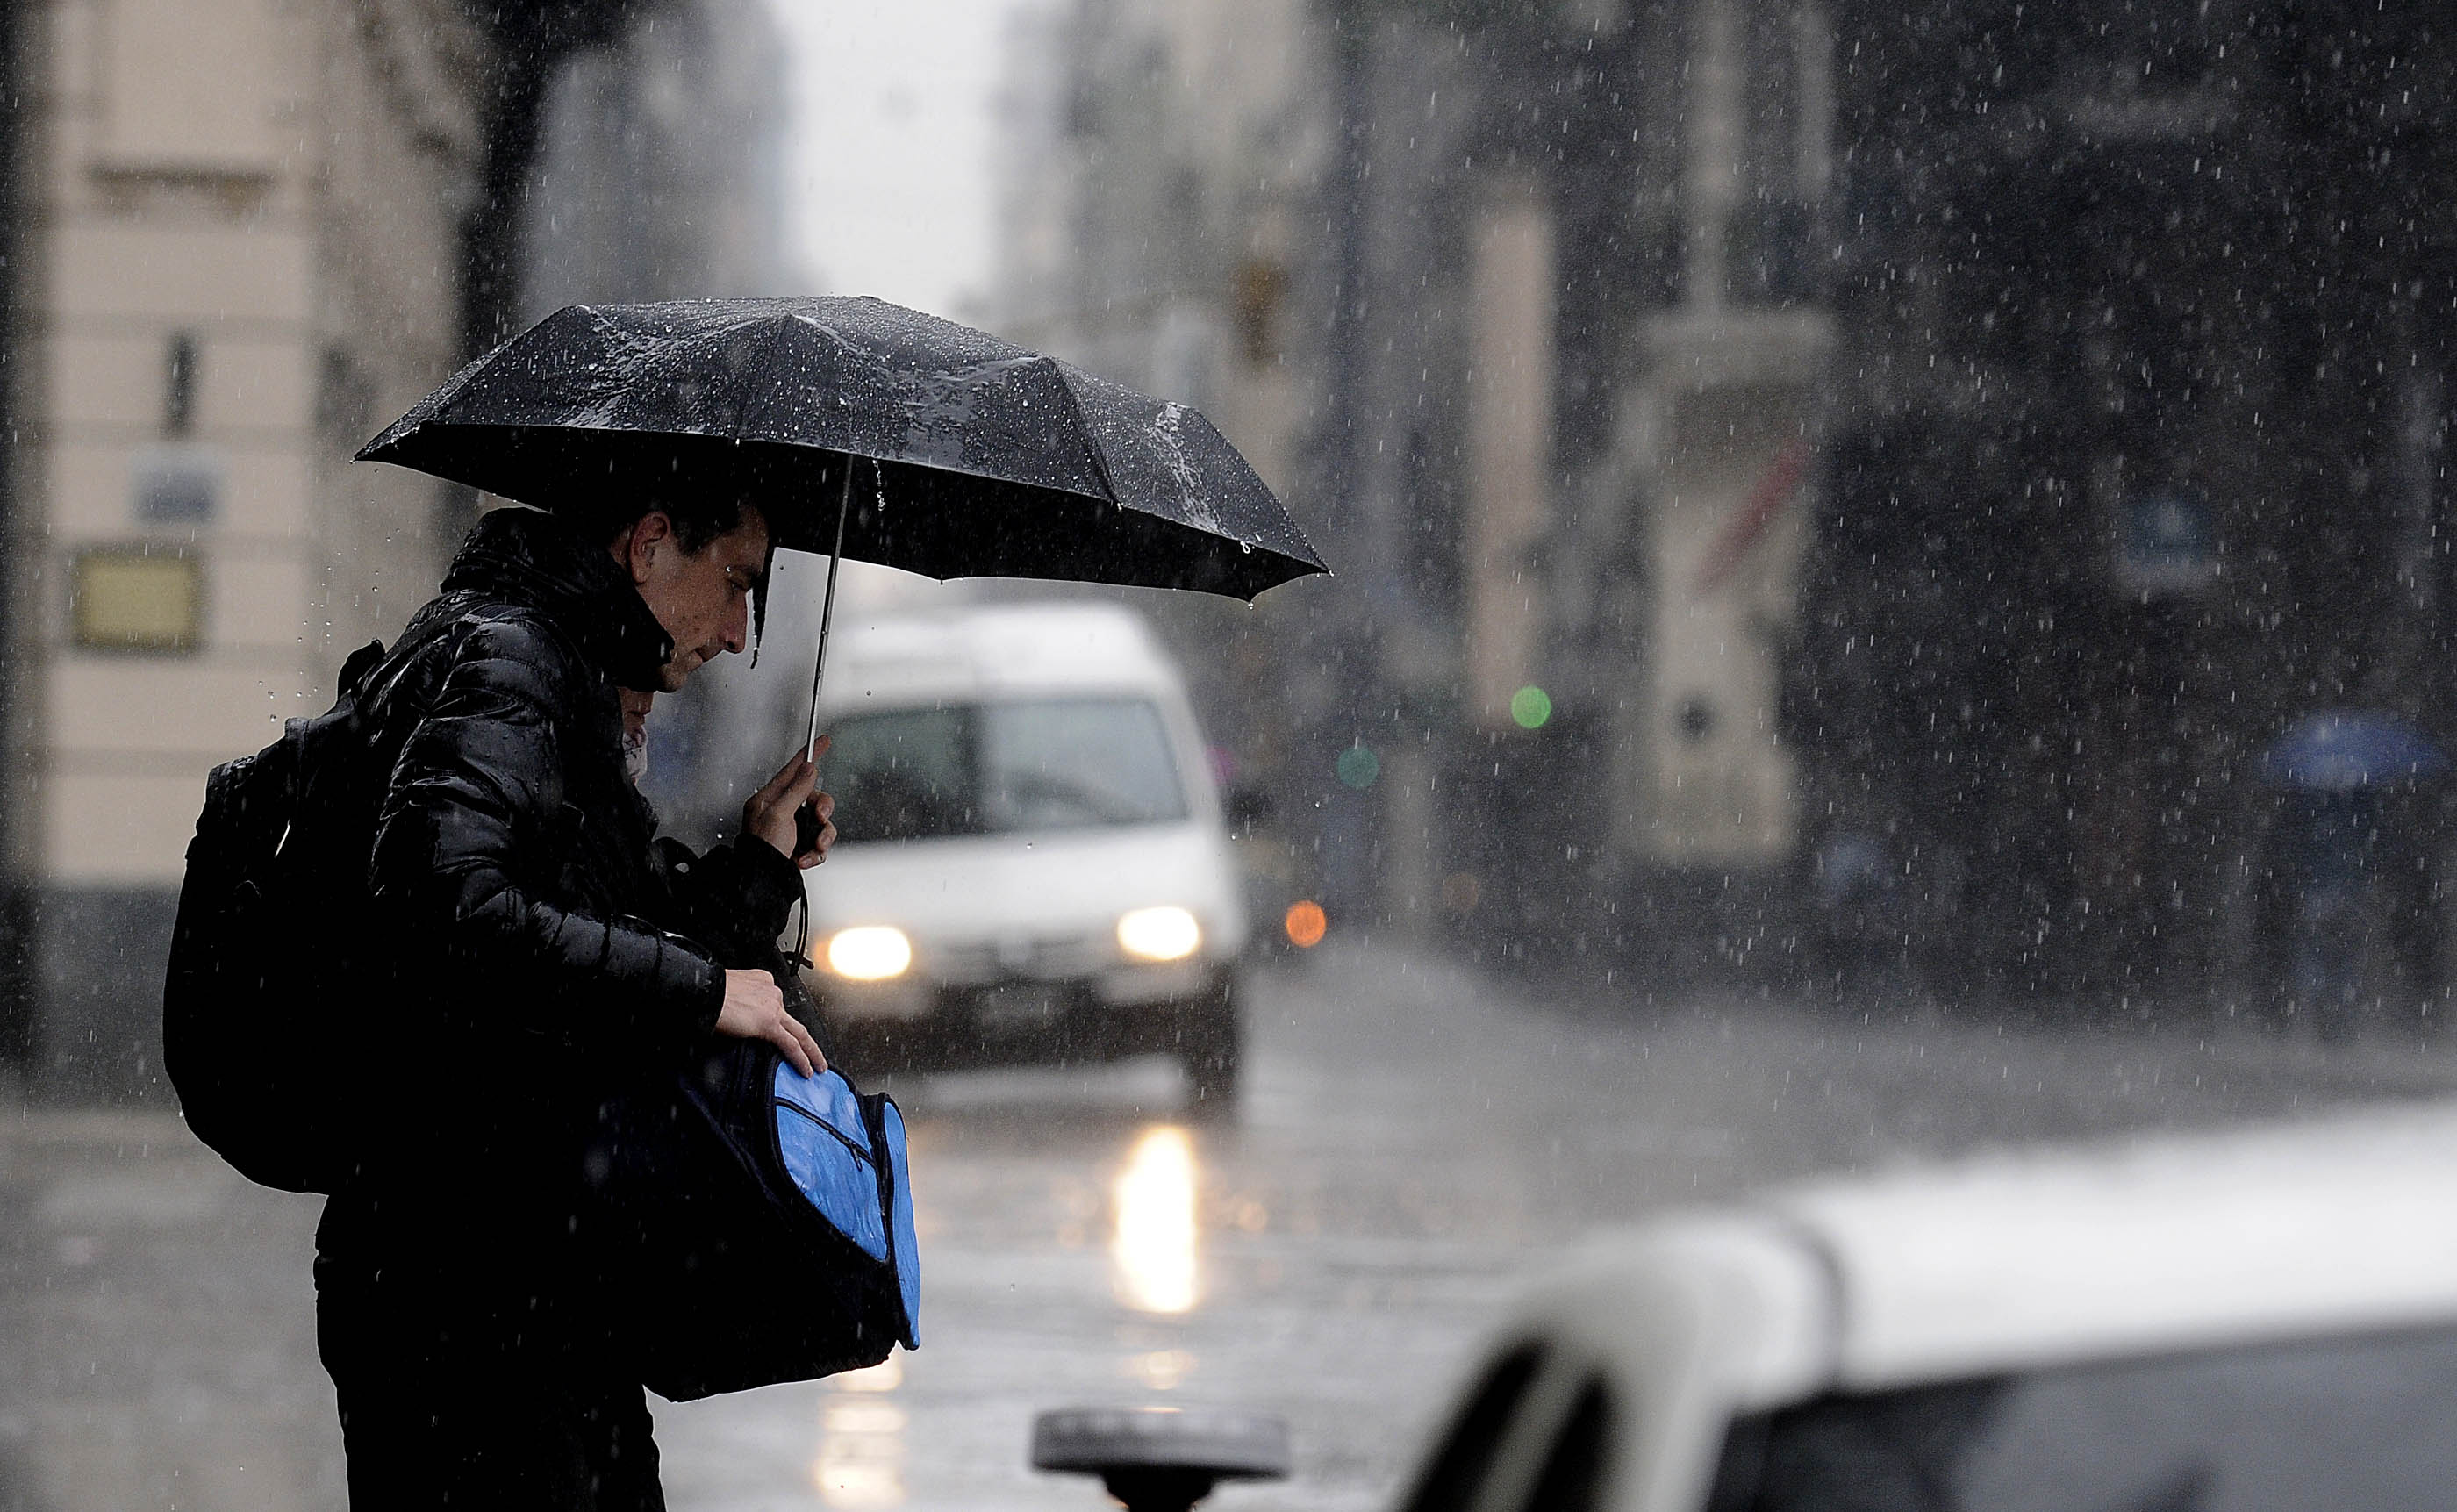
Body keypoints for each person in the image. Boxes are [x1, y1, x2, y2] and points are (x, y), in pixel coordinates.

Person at [314, 498, 836, 1511]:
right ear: (649, 545)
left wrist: (759, 869)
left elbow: (596, 937)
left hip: (522, 1273)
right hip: (464, 1289)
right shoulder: (514, 662)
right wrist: (700, 992)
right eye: (735, 580)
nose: (738, 629)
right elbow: (448, 904)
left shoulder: (565, 678)